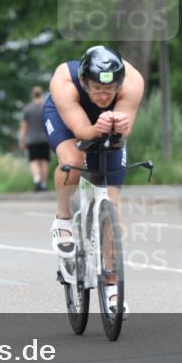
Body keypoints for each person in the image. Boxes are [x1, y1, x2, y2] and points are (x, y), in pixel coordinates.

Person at [42, 45, 144, 315]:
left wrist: (119, 128)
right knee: (73, 161)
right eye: (97, 88)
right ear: (85, 83)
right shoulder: (65, 80)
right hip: (68, 118)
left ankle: (111, 286)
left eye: (110, 90)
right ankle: (63, 218)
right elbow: (81, 131)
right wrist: (95, 127)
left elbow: (124, 133)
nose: (104, 95)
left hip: (105, 125)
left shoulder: (132, 81)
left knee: (112, 202)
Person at [19, 86, 51, 192]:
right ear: (41, 94)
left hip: (31, 139)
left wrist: (22, 140)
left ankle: (37, 180)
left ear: (32, 94)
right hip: (45, 139)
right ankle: (44, 184)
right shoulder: (45, 107)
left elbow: (24, 127)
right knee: (44, 161)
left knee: (33, 161)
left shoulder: (27, 108)